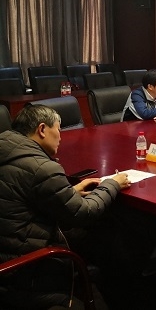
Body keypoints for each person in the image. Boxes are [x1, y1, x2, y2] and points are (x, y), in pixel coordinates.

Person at [0, 105, 130, 309]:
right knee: (108, 232)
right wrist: (112, 183)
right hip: (25, 273)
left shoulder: (7, 151)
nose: (60, 137)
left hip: (9, 249)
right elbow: (83, 213)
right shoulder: (41, 168)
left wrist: (71, 191)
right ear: (42, 129)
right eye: (58, 130)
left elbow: (23, 196)